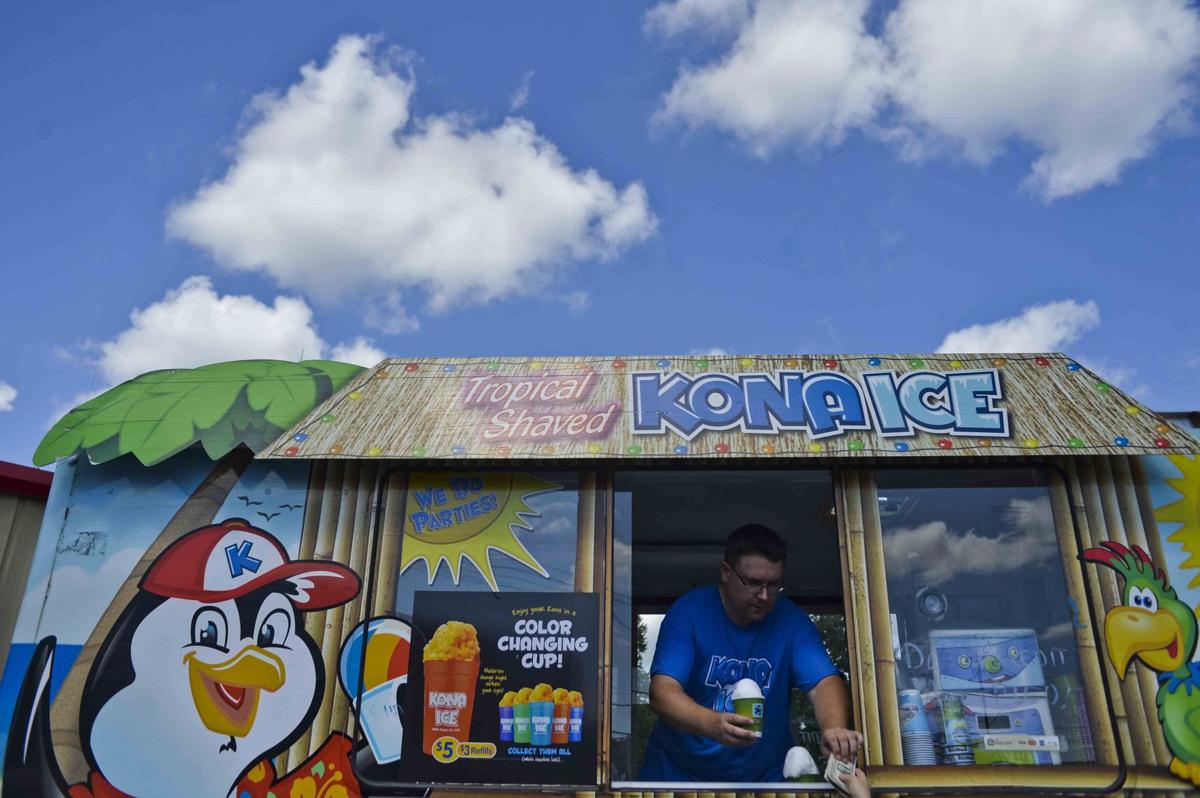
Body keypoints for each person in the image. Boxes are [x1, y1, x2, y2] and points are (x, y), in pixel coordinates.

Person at [641, 523, 863, 782]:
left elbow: (824, 682)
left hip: (763, 777)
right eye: (754, 583)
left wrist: (833, 728)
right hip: (679, 774)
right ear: (726, 572)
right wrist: (712, 724)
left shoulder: (792, 621)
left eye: (774, 584)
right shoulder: (688, 613)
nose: (765, 595)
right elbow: (662, 692)